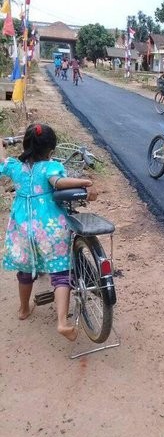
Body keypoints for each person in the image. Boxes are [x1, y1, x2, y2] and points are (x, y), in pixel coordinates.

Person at [0, 123, 98, 340]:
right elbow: (59, 182)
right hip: (51, 228)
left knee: (25, 273)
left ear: (26, 146)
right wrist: (85, 181)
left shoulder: (16, 167)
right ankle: (62, 322)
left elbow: (1, 160)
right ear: (51, 150)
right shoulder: (50, 167)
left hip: (23, 229)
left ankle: (24, 309)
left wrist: (3, 142)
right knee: (60, 273)